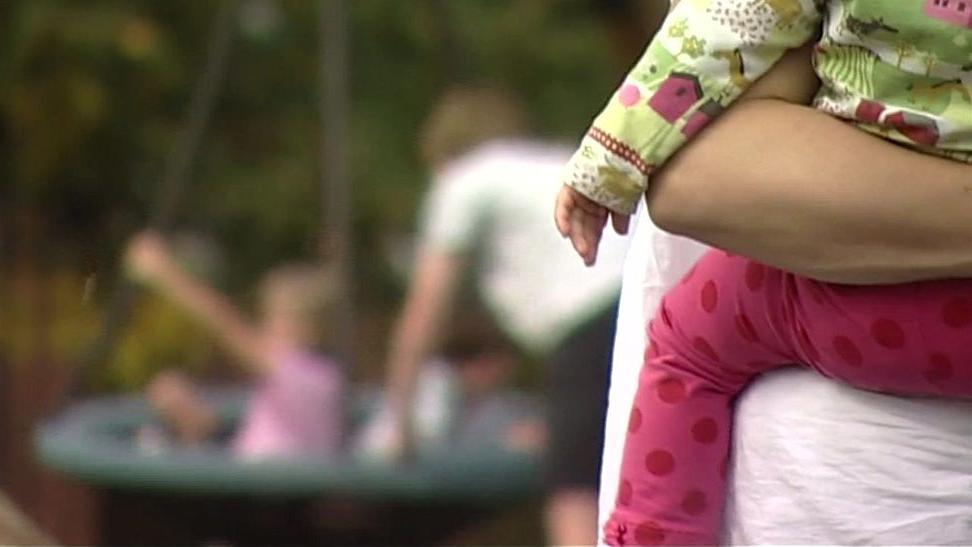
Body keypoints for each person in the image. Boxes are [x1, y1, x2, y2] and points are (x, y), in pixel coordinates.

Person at [556, 1, 972, 544]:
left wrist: (608, 161)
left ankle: (657, 533)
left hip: (880, 324)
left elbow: (723, 27)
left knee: (688, 341)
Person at [379, 86, 629, 545]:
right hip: (641, 303)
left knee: (572, 488)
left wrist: (400, 426)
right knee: (630, 468)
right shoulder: (548, 164)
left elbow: (424, 313)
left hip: (593, 316)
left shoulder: (464, 179)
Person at [125, 231, 344, 460]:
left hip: (266, 491)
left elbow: (224, 324)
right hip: (245, 470)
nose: (266, 327)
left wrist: (164, 272)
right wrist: (197, 420)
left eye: (279, 318)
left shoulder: (306, 375)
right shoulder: (309, 378)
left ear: (311, 329)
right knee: (170, 392)